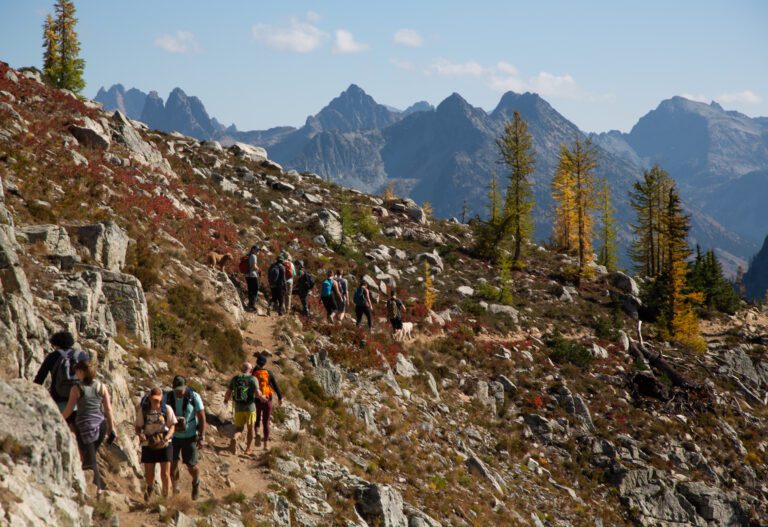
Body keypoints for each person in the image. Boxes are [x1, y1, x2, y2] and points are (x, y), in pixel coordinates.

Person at [61, 360, 115, 497]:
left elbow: (68, 410)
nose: (76, 375)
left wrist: (58, 419)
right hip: (101, 425)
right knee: (89, 457)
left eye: (77, 372)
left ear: (81, 372)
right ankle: (94, 486)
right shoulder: (102, 386)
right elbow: (108, 410)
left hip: (85, 427)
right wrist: (111, 429)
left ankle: (98, 489)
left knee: (89, 458)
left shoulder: (76, 389)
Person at [135, 387, 177, 501]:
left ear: (162, 398)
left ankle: (165, 499)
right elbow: (138, 427)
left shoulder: (167, 409)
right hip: (148, 444)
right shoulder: (143, 410)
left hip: (165, 444)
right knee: (149, 476)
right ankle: (150, 487)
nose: (156, 402)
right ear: (149, 398)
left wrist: (166, 438)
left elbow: (173, 426)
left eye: (158, 399)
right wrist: (140, 434)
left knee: (165, 475)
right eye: (154, 399)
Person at [34, 331, 89, 418]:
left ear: (56, 344)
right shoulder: (82, 356)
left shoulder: (52, 356)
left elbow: (39, 378)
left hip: (60, 399)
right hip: (80, 400)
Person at [168, 376, 205, 500]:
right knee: (172, 464)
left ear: (185, 387)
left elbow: (202, 417)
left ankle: (195, 481)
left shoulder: (194, 397)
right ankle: (175, 489)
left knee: (191, 466)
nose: (179, 393)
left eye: (181, 390)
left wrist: (201, 437)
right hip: (173, 436)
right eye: (176, 390)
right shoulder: (168, 397)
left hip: (190, 436)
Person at [224, 362, 263, 455]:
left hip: (238, 408)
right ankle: (248, 449)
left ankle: (234, 438)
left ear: (241, 369)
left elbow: (228, 392)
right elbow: (258, 394)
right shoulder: (253, 379)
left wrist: (225, 400)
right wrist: (262, 397)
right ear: (251, 370)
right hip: (250, 408)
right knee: (250, 429)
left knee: (239, 429)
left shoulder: (235, 378)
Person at [252, 354, 283, 450]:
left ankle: (257, 433)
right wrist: (280, 397)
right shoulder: (269, 373)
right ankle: (265, 444)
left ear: (257, 362)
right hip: (267, 400)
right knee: (266, 422)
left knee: (257, 419)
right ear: (265, 363)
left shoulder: (254, 372)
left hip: (257, 400)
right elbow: (276, 386)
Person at [245, 245, 260, 311]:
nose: (257, 251)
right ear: (253, 249)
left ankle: (250, 304)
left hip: (247, 275)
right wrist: (258, 269)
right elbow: (254, 266)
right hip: (253, 275)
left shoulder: (248, 255)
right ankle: (252, 305)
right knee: (255, 290)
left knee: (250, 290)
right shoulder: (254, 256)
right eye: (256, 250)